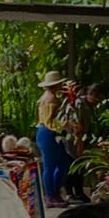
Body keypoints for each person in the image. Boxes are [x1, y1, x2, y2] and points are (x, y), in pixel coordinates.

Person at [34, 70, 73, 203]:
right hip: (49, 132)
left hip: (49, 132)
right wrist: (65, 125)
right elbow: (49, 121)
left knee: (62, 164)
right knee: (50, 166)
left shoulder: (48, 97)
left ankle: (55, 192)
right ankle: (50, 195)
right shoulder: (51, 99)